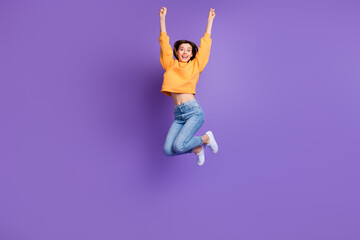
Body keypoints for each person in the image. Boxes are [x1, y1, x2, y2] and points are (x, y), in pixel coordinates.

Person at [159, 7, 219, 166]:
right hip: (178, 115)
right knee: (168, 150)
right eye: (181, 49)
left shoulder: (195, 66)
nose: (185, 52)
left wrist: (210, 22)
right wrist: (162, 19)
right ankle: (198, 149)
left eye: (188, 50)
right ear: (177, 52)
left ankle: (206, 138)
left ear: (192, 54)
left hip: (193, 112)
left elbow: (205, 47)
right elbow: (164, 44)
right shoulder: (170, 65)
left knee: (178, 145)